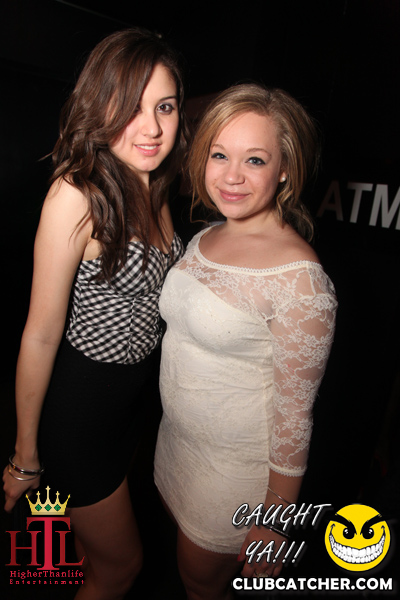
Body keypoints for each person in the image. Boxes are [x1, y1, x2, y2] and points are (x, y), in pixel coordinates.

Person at [3, 27, 188, 599]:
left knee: (88, 563)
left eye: (164, 107)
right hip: (80, 413)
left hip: (127, 409)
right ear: (99, 105)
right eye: (130, 107)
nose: (150, 127)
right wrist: (25, 456)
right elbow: (40, 334)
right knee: (121, 568)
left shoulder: (155, 186)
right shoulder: (77, 193)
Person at [154, 83, 338, 599]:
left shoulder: (301, 280)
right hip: (176, 448)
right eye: (219, 155)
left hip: (232, 477)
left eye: (254, 159)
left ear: (284, 169)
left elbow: (295, 415)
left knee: (201, 587)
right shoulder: (207, 234)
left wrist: (274, 522)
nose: (231, 176)